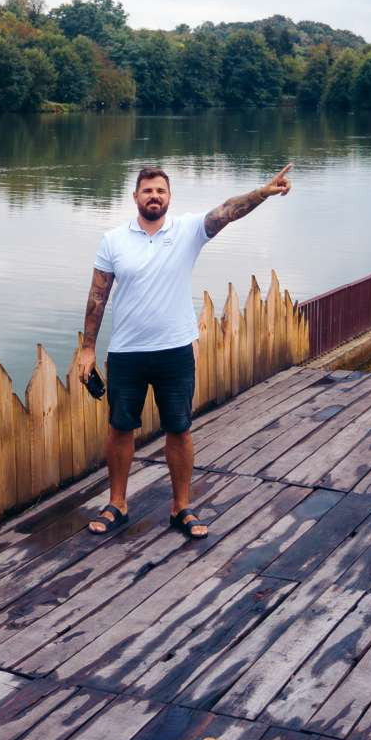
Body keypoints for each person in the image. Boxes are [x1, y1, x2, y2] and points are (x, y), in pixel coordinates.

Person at [78, 163, 293, 539]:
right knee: (120, 429)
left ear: (169, 197)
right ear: (135, 197)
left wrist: (262, 192)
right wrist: (87, 349)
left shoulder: (188, 230)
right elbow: (98, 296)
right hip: (127, 352)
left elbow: (228, 211)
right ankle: (117, 504)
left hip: (175, 350)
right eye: (148, 190)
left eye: (160, 190)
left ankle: (181, 508)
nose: (154, 196)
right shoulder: (113, 240)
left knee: (179, 429)